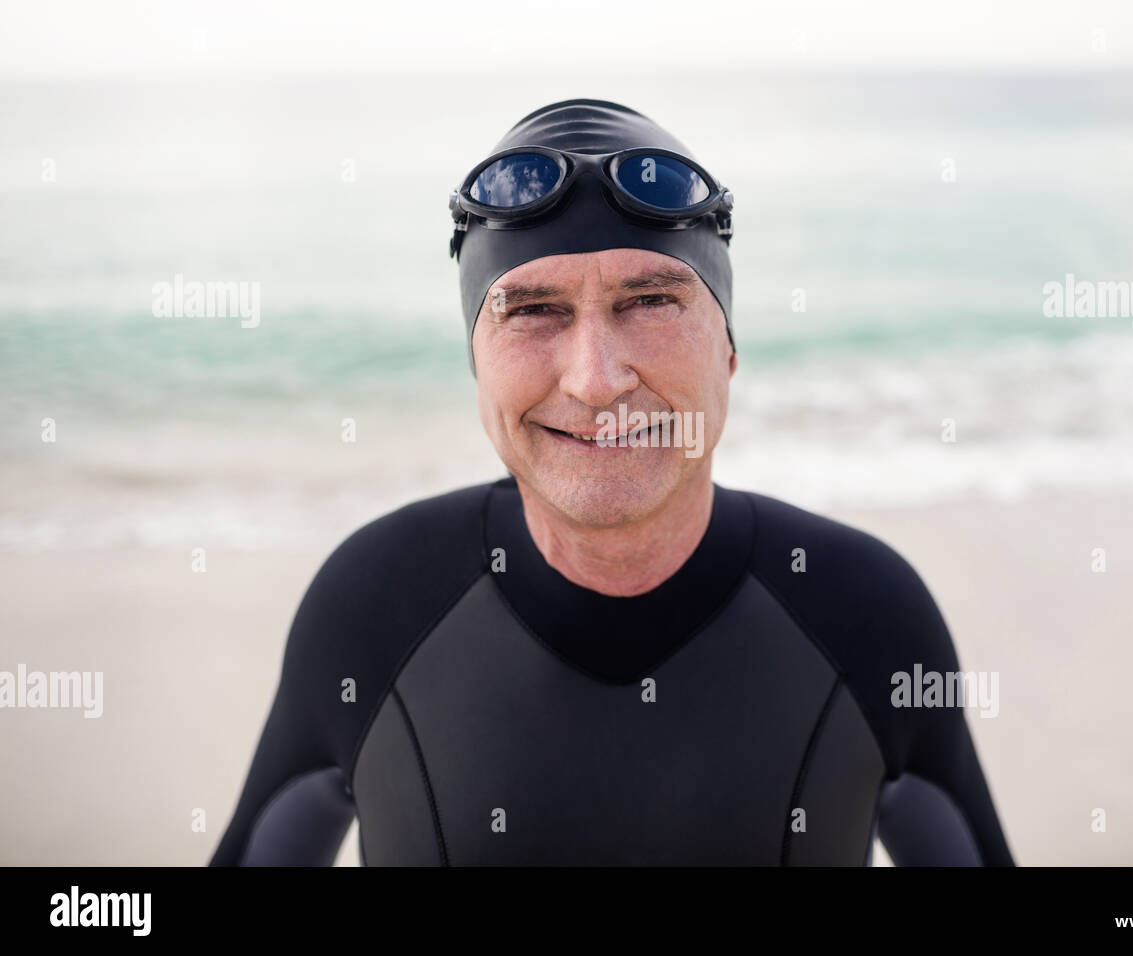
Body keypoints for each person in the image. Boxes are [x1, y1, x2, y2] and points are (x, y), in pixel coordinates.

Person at [209, 98, 1014, 866]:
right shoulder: (373, 606)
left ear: (728, 350)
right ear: (476, 364)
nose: (596, 381)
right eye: (532, 312)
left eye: (652, 300)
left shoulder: (864, 614)